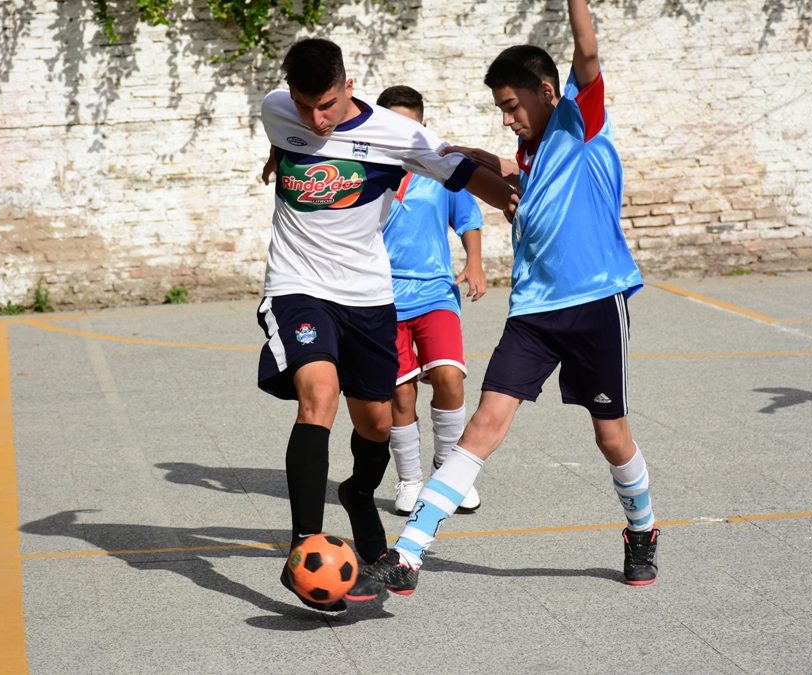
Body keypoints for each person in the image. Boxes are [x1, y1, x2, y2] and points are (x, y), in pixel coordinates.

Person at [347, 0, 659, 601]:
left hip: (595, 304)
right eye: (501, 110)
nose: (508, 119)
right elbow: (493, 172)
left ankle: (642, 530)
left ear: (546, 91)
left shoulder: (580, 123)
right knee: (484, 424)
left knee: (611, 436)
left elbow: (588, 55)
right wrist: (436, 149)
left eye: (513, 106)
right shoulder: (527, 158)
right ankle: (409, 554)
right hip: (533, 313)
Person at [257, 38, 514, 612]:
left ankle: (358, 494)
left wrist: (514, 203)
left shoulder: (396, 136)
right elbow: (283, 133)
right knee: (318, 394)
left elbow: (464, 172)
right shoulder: (278, 108)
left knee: (375, 424)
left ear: (349, 87)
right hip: (297, 288)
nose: (314, 119)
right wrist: (279, 153)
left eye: (325, 105)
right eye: (304, 106)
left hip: (370, 299)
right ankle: (304, 548)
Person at [374, 85, 485, 517]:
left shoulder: (440, 168)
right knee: (400, 394)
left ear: (422, 125)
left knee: (448, 376)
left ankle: (448, 472)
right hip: (380, 298)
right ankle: (409, 480)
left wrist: (474, 263)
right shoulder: (364, 168)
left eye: (411, 124)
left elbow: (469, 218)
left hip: (435, 290)